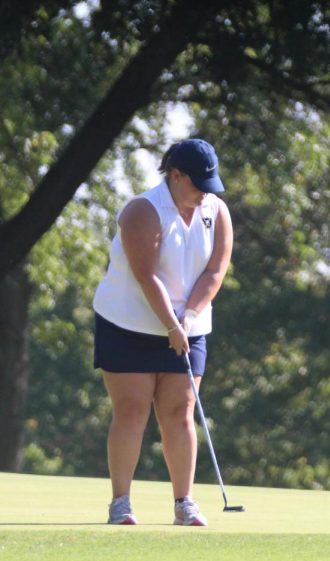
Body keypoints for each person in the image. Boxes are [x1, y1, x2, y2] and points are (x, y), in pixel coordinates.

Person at [92, 138, 233, 526]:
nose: (206, 193)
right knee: (133, 409)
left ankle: (184, 503)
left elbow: (215, 271)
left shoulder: (215, 211)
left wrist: (188, 316)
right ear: (175, 175)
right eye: (199, 184)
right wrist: (171, 324)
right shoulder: (143, 210)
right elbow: (144, 275)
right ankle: (120, 503)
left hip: (189, 324)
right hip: (128, 323)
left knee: (179, 411)